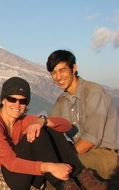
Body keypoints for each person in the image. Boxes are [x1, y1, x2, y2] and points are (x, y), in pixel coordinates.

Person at [0, 76, 108, 190]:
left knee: (46, 129)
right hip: (0, 189)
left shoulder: (22, 121)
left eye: (23, 101)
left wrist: (42, 121)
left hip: (28, 185)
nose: (17, 104)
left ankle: (81, 177)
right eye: (12, 99)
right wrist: (51, 167)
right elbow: (11, 163)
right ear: (3, 100)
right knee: (37, 134)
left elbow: (65, 126)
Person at [46, 50, 118, 180]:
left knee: (59, 168)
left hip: (103, 155)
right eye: (53, 73)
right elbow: (50, 126)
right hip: (80, 153)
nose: (58, 77)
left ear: (74, 68)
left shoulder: (94, 92)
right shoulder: (62, 101)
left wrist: (64, 157)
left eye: (62, 70)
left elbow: (90, 140)